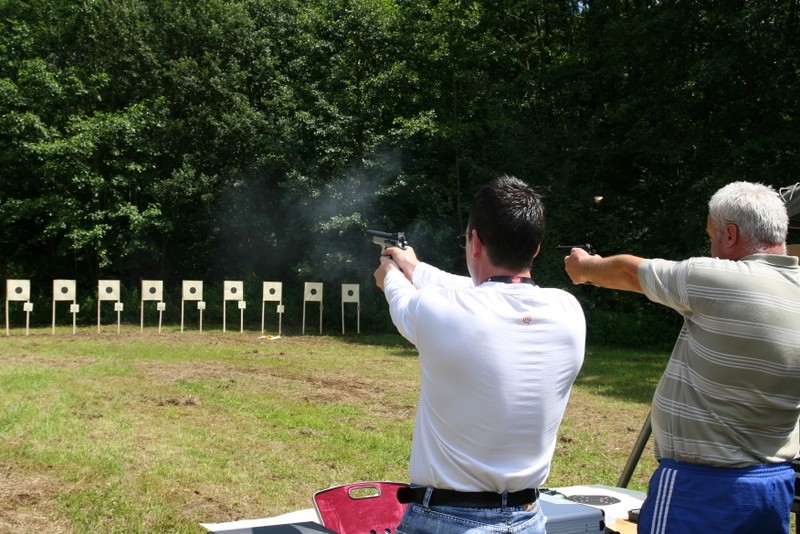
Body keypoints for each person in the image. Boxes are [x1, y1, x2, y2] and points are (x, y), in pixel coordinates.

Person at [563, 181, 800, 534]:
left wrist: (585, 268)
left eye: (713, 236)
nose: (712, 248)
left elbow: (630, 271)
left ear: (731, 234)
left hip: (703, 488)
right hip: (773, 484)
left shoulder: (720, 278)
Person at [373, 175, 586, 534]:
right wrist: (416, 267)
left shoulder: (440, 310)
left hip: (445, 521)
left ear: (474, 242)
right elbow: (484, 292)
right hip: (528, 519)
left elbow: (401, 294)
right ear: (535, 248)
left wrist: (391, 271)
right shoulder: (569, 311)